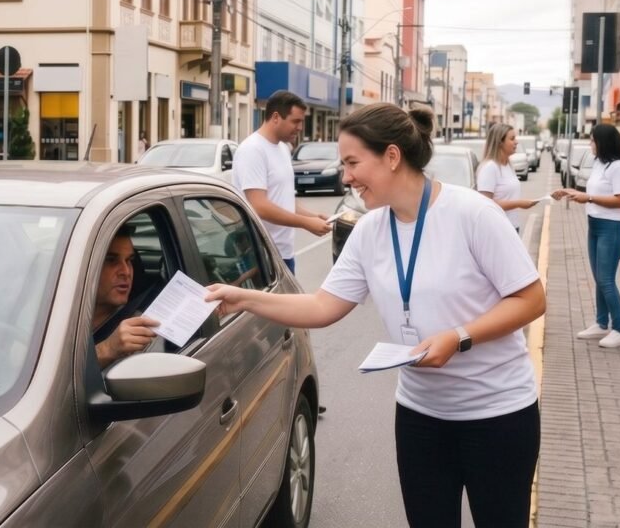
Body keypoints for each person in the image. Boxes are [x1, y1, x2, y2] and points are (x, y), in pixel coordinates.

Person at [209, 104, 545, 526]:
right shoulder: (369, 230)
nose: (345, 177)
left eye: (352, 163)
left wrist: (459, 336)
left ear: (391, 156)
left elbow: (531, 300)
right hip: (421, 417)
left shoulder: (473, 214)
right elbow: (321, 305)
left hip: (497, 417)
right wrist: (243, 298)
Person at [232, 90, 330, 273]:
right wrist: (305, 223)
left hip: (284, 252)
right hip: (261, 254)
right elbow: (259, 206)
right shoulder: (253, 149)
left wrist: (312, 216)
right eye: (296, 121)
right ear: (276, 117)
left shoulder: (283, 149)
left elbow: (283, 199)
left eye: (302, 121)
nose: (300, 127)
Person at [553, 124, 620, 349]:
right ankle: (601, 323)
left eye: (593, 140)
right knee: (598, 278)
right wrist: (572, 192)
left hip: (612, 228)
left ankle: (619, 329)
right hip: (595, 224)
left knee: (606, 280)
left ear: (603, 142)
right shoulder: (599, 163)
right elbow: (594, 193)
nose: (591, 144)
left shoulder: (619, 167)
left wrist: (587, 198)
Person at [93, 227, 160, 368]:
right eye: (111, 260)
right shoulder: (50, 316)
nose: (126, 271)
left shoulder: (142, 328)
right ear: (86, 266)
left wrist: (107, 350)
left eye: (129, 260)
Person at [477, 123, 538, 233]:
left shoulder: (508, 165)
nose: (516, 142)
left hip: (512, 227)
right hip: (496, 230)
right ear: (500, 142)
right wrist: (519, 203)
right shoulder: (490, 168)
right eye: (512, 138)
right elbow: (485, 205)